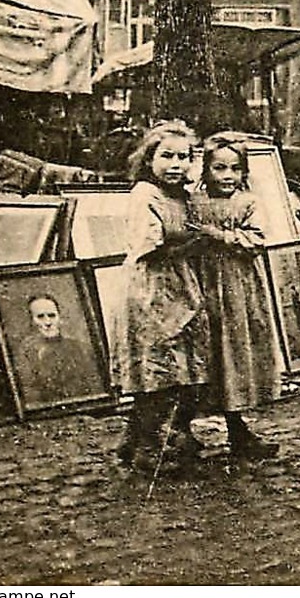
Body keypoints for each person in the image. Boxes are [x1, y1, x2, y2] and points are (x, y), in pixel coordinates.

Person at [113, 120, 212, 476]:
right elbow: (150, 247)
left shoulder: (181, 196)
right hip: (152, 288)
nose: (176, 164)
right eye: (166, 156)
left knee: (180, 367)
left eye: (184, 157)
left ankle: (136, 439)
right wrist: (196, 242)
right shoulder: (144, 195)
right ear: (149, 159)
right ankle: (149, 448)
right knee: (156, 371)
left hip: (179, 286)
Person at [187, 135, 281, 460]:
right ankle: (184, 430)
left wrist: (220, 236)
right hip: (202, 286)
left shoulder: (248, 203)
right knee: (204, 354)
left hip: (237, 289)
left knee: (234, 352)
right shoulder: (193, 202)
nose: (227, 176)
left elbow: (257, 240)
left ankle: (237, 426)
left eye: (235, 169)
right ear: (205, 169)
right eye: (219, 168)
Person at [13, 293, 101, 407]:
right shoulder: (25, 354)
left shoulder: (80, 348)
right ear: (31, 321)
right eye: (40, 317)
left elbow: (94, 388)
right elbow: (30, 395)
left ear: (59, 317)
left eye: (52, 315)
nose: (48, 322)